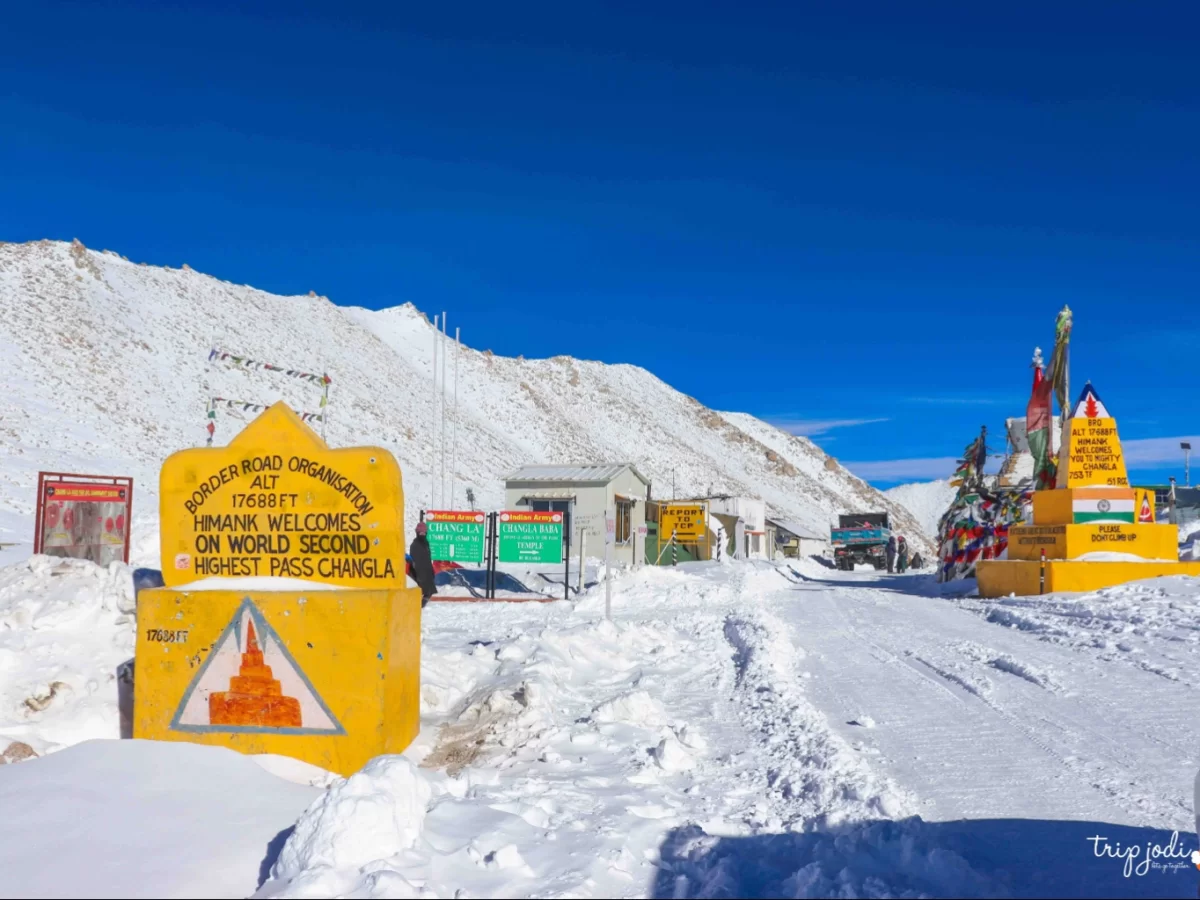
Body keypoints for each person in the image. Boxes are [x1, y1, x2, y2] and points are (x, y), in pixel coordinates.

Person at [409, 522, 436, 608]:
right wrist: (417, 575)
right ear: (417, 532)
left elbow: (428, 558)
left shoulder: (426, 543)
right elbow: (415, 561)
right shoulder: (414, 545)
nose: (422, 534)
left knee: (428, 592)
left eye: (424, 533)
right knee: (425, 592)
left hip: (427, 572)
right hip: (418, 574)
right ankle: (418, 607)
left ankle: (419, 606)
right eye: (421, 533)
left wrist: (431, 570)